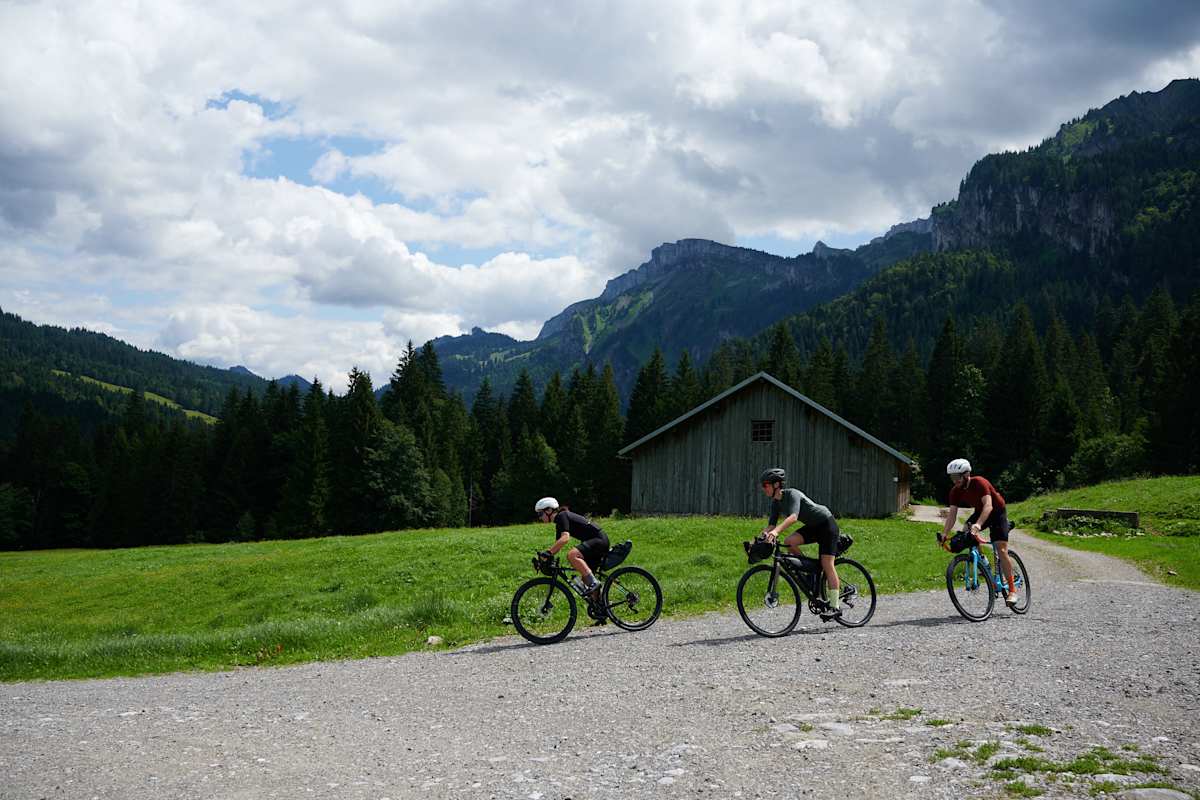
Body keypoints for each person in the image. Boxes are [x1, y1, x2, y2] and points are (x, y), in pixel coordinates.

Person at [757, 467, 844, 622]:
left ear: (776, 484)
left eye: (765, 485)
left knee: (827, 564)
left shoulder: (792, 494)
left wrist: (776, 532)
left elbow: (793, 517)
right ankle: (811, 572)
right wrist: (759, 538)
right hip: (813, 527)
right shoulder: (776, 503)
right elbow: (771, 525)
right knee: (789, 542)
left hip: (827, 525)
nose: (764, 489)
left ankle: (835, 607)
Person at [938, 458, 1019, 606]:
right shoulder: (955, 491)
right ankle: (982, 560)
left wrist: (978, 525)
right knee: (965, 531)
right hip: (980, 512)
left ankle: (1013, 591)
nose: (955, 481)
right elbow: (952, 515)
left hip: (997, 512)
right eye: (952, 477)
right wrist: (944, 533)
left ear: (966, 474)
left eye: (957, 477)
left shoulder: (979, 482)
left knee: (1001, 549)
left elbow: (988, 506)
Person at [534, 496, 610, 605]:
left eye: (540, 514)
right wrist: (544, 558)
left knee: (572, 555)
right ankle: (601, 608)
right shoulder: (559, 523)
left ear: (549, 510)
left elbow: (565, 538)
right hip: (595, 542)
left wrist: (549, 552)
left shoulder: (562, 516)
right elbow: (557, 545)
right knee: (585, 581)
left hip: (599, 540)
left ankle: (595, 583)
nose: (539, 517)